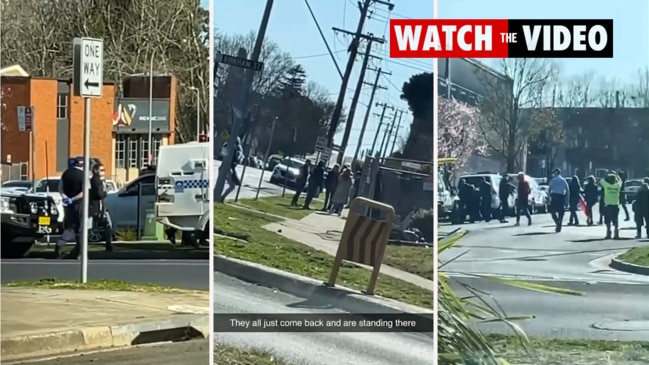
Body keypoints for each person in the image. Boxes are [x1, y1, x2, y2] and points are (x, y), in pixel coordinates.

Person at [55, 158, 86, 259]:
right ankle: (80, 253)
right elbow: (84, 192)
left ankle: (61, 243)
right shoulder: (83, 175)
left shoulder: (66, 173)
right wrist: (73, 199)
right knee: (81, 228)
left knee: (71, 226)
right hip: (80, 204)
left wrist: (66, 198)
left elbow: (60, 188)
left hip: (68, 205)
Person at [89, 162, 113, 251]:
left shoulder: (95, 180)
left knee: (102, 225)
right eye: (101, 170)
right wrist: (106, 191)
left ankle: (108, 244)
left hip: (97, 205)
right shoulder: (97, 181)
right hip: (98, 206)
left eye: (104, 170)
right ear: (95, 170)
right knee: (107, 225)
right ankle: (108, 244)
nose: (103, 172)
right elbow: (99, 195)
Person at [220, 137, 244, 202]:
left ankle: (220, 197)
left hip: (225, 168)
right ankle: (221, 198)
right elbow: (239, 159)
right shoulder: (233, 147)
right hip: (228, 169)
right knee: (231, 185)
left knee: (222, 184)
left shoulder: (227, 145)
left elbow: (222, 154)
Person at [600, 171, 622, 239]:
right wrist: (616, 175)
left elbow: (601, 180)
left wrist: (606, 175)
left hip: (608, 205)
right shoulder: (617, 186)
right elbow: (620, 180)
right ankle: (616, 234)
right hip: (616, 205)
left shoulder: (607, 185)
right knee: (615, 220)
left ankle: (608, 233)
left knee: (608, 221)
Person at [548, 168, 570, 232]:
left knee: (552, 211)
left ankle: (557, 222)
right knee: (561, 212)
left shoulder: (553, 180)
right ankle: (559, 222)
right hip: (561, 196)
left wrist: (549, 198)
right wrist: (567, 200)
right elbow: (567, 190)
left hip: (554, 196)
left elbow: (549, 189)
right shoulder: (563, 180)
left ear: (556, 173)